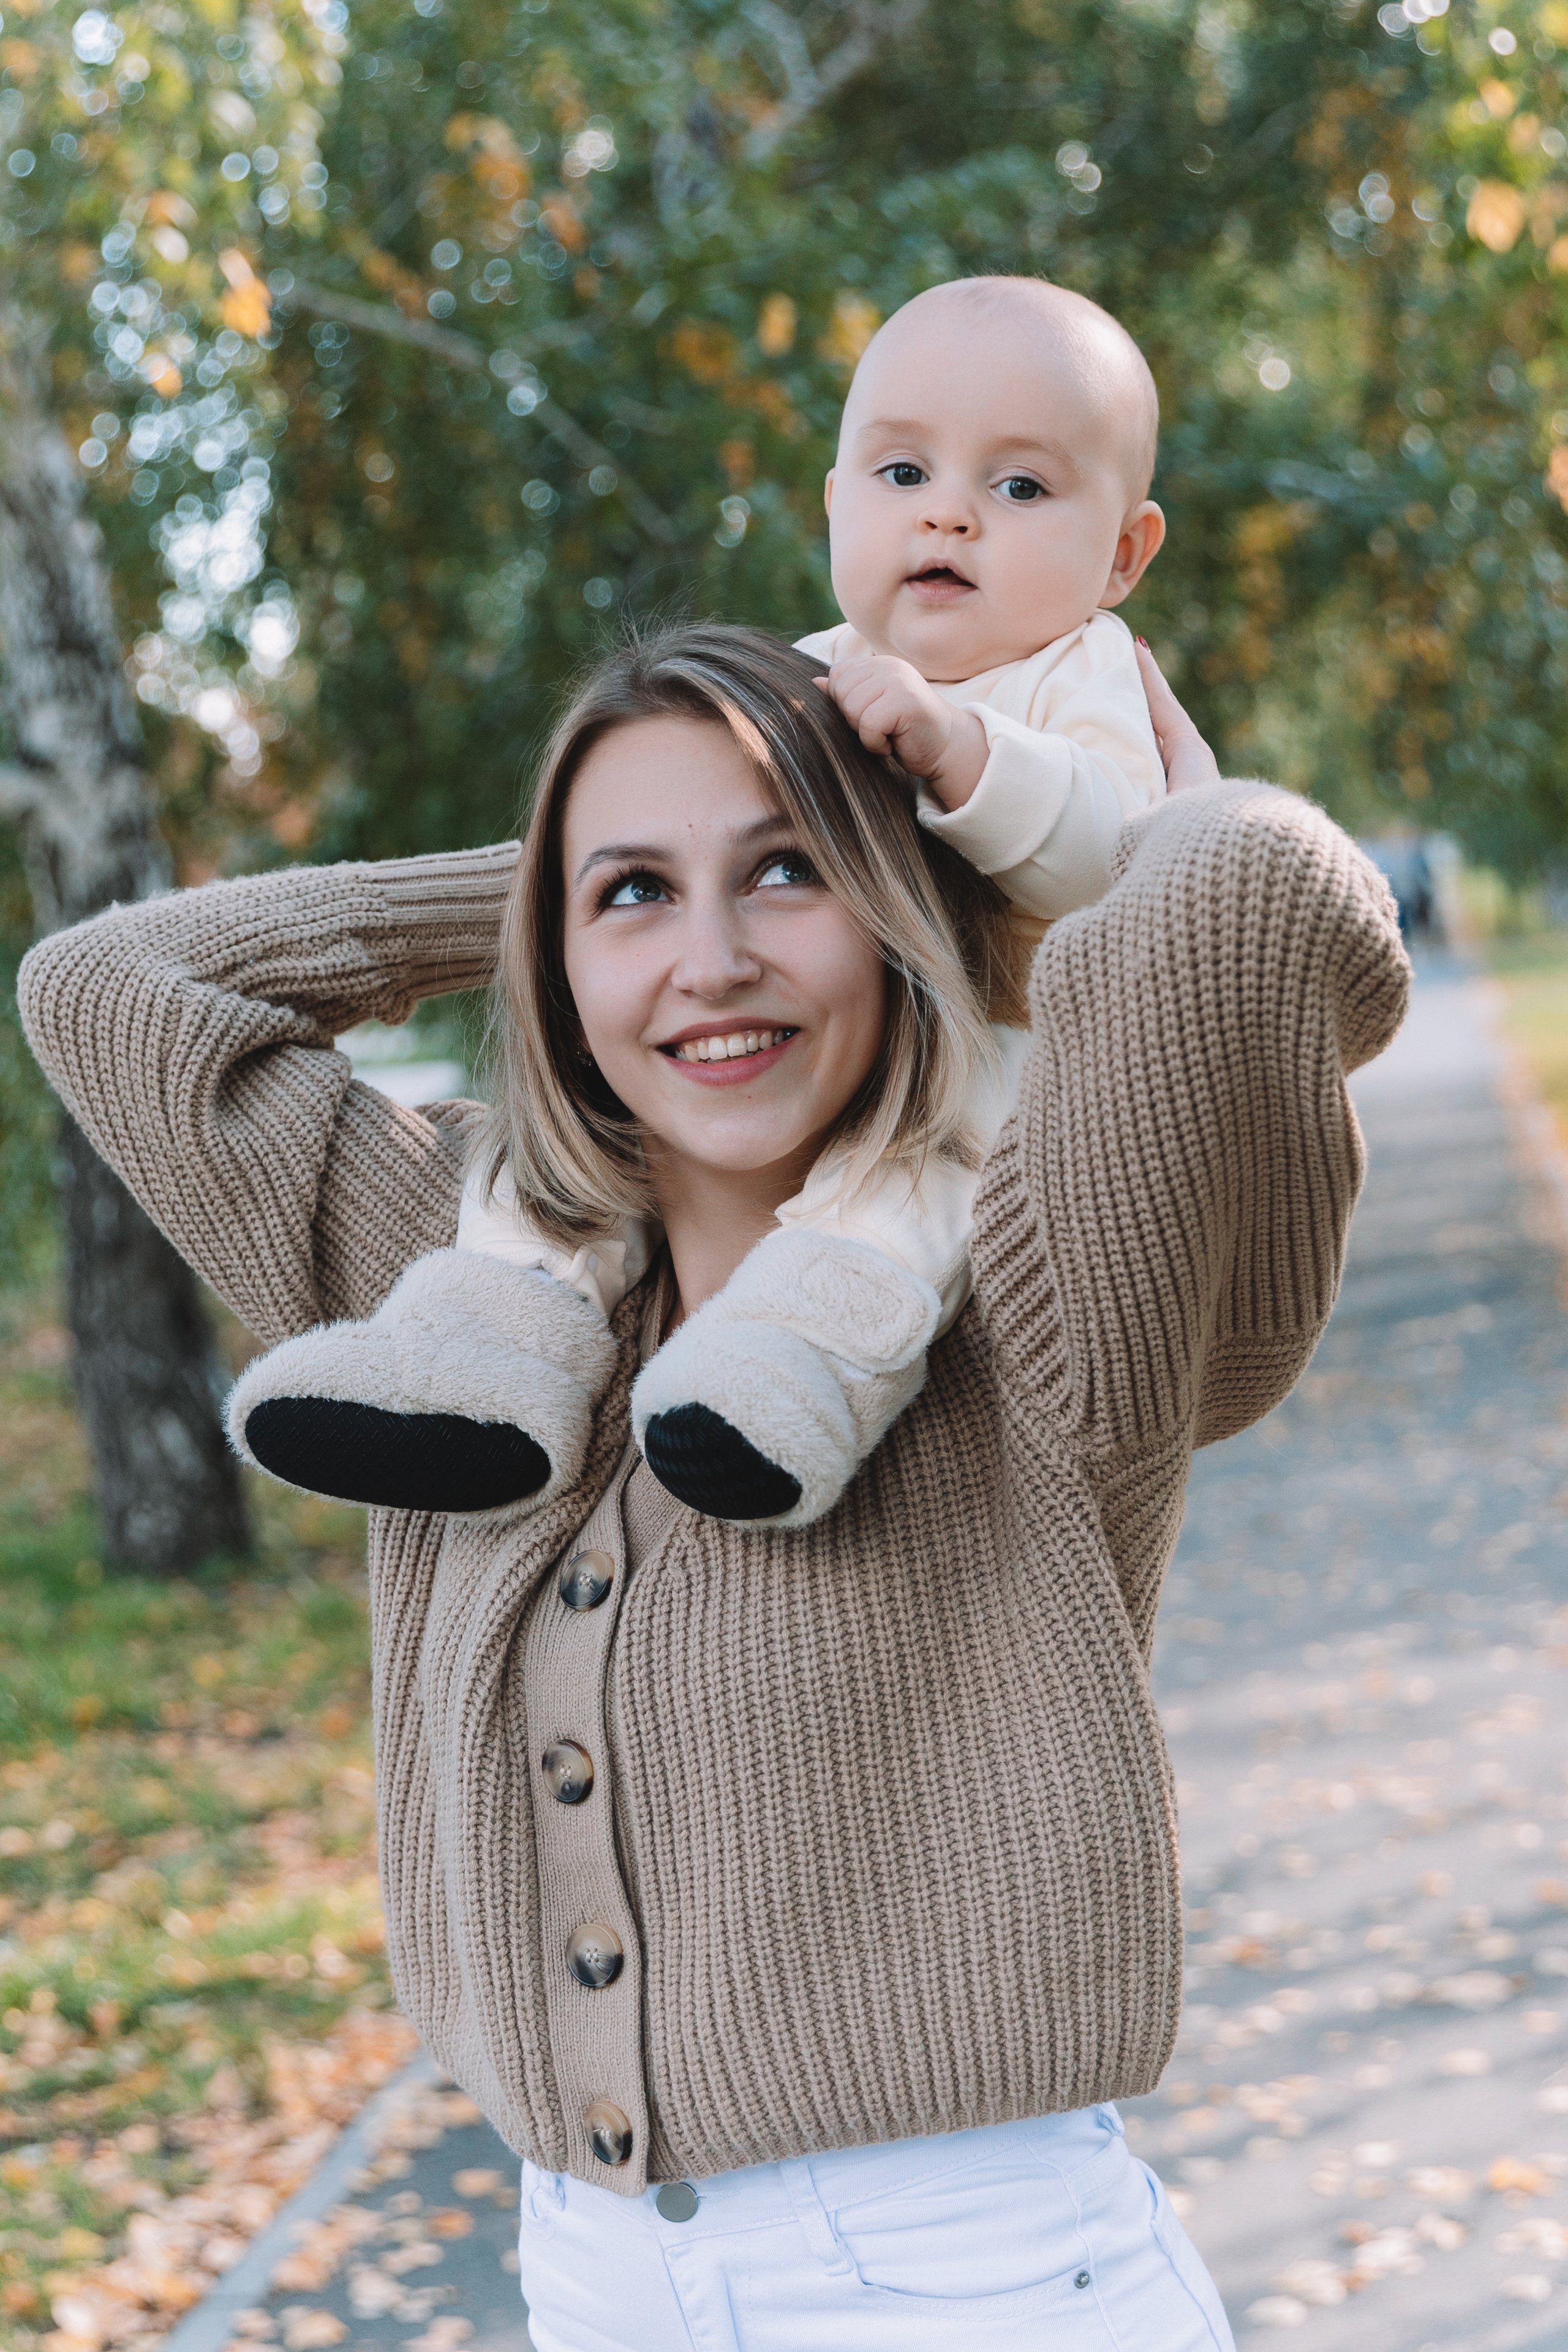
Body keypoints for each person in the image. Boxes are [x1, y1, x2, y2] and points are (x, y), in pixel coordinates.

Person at [19, 622, 1408, 2348]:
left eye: (789, 874)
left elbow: (1263, 894)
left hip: (968, 2277)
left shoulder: (1031, 1287)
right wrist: (534, 897)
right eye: (635, 898)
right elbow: (113, 993)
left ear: (898, 904)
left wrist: (1045, 808)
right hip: (596, 2276)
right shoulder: (455, 1288)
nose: (715, 961)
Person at [223, 276, 1170, 1530]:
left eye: (1019, 488)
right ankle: (483, 1354)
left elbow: (1114, 861)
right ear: (833, 504)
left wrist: (964, 756)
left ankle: (785, 1376)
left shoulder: (1080, 677)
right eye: (901, 475)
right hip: (852, 1037)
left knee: (902, 1202)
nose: (949, 515)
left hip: (995, 1056)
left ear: (1120, 555)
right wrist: (562, 883)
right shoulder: (803, 680)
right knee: (552, 1153)